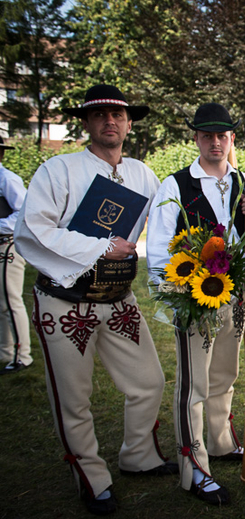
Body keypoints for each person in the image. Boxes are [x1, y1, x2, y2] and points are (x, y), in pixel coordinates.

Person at [13, 84, 177, 515]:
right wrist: (101, 247)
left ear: (129, 123)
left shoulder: (143, 174)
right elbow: (32, 230)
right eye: (100, 114)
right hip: (66, 301)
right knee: (74, 397)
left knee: (149, 381)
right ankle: (91, 476)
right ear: (86, 122)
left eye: (117, 115)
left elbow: (168, 220)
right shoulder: (58, 169)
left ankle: (139, 455)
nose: (110, 121)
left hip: (120, 299)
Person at [146, 103, 245, 505]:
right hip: (194, 299)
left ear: (231, 138)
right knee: (193, 383)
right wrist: (176, 298)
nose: (215, 143)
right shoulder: (176, 185)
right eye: (207, 135)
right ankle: (194, 466)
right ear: (196, 138)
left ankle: (221, 441)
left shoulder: (244, 181)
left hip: (233, 295)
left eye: (222, 135)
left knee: (225, 374)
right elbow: (159, 247)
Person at [0, 136, 32, 374]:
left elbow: (24, 214)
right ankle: (5, 352)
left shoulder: (7, 179)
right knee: (1, 303)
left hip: (7, 245)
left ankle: (23, 356)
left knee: (11, 301)